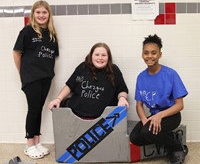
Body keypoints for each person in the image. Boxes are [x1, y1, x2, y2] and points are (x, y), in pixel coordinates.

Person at [129, 34, 188, 164]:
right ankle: (171, 138)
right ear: (142, 54)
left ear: (160, 54)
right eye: (146, 53)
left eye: (154, 53)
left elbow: (179, 105)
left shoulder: (170, 74)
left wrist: (160, 116)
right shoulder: (141, 77)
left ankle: (178, 148)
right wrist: (145, 120)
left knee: (147, 133)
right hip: (153, 116)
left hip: (171, 115)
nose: (149, 56)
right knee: (135, 138)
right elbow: (139, 105)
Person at [13, 0, 59, 159]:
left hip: (46, 77)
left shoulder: (52, 34)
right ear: (33, 14)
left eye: (44, 12)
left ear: (49, 14)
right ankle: (29, 145)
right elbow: (16, 53)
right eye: (38, 12)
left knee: (38, 109)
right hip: (31, 78)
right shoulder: (27, 31)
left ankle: (37, 142)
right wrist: (23, 73)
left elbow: (53, 56)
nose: (41, 15)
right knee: (33, 110)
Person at [48, 42, 129, 119]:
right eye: (97, 55)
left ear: (108, 57)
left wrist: (122, 98)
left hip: (102, 120)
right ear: (91, 56)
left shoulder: (114, 70)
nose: (100, 58)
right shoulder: (83, 67)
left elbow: (122, 90)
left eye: (103, 55)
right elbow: (69, 86)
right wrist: (58, 99)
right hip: (75, 116)